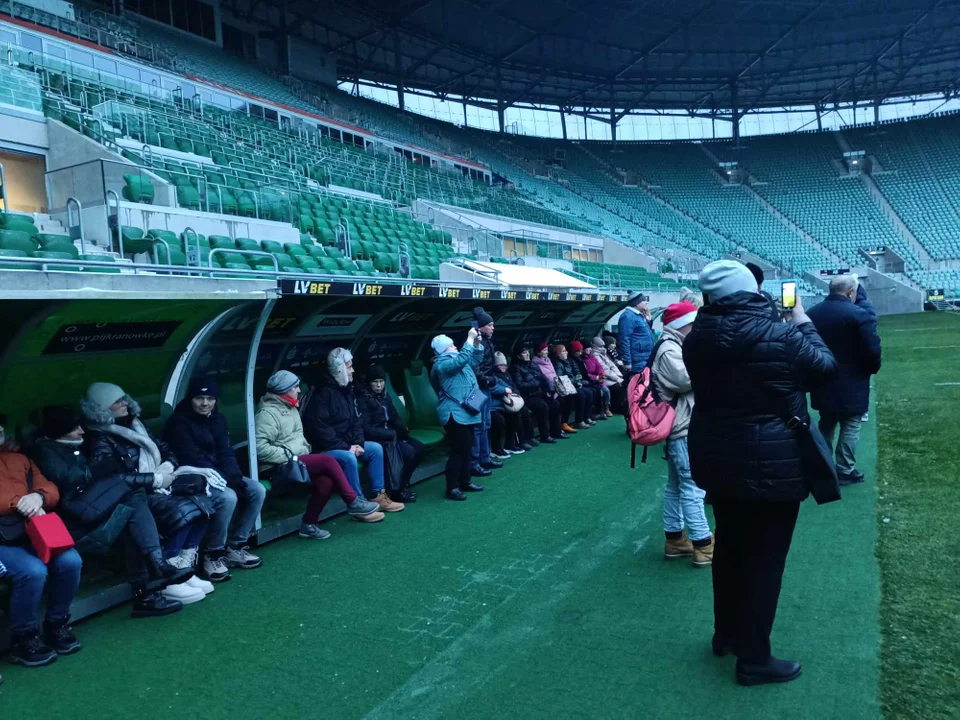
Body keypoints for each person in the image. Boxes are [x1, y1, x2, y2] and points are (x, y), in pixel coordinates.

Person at [684, 260, 835, 686]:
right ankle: (754, 659)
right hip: (773, 462)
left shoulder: (697, 338)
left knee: (730, 550)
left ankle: (727, 635)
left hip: (718, 458)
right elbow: (824, 367)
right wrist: (801, 319)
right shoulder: (782, 332)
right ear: (752, 291)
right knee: (765, 562)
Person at [31, 406, 185, 619]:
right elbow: (72, 481)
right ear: (59, 431)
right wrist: (102, 470)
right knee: (132, 495)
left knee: (132, 507)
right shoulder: (46, 452)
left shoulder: (73, 446)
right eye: (74, 428)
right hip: (74, 522)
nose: (82, 431)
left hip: (89, 509)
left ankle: (149, 586)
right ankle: (154, 570)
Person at [82, 382, 213, 606]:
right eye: (117, 401)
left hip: (157, 483)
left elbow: (165, 449)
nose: (125, 403)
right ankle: (169, 572)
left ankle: (182, 566)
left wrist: (168, 466)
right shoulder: (98, 438)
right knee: (180, 508)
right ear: (102, 409)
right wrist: (154, 479)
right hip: (133, 495)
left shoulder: (136, 425)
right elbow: (113, 479)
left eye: (124, 398)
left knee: (203, 504)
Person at [254, 370, 383, 539]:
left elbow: (299, 438)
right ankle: (353, 501)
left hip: (296, 460)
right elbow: (259, 448)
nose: (299, 390)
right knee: (328, 461)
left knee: (326, 481)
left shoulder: (291, 406)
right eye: (295, 387)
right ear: (283, 390)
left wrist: (303, 450)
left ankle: (309, 524)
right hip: (276, 466)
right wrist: (291, 455)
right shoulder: (267, 414)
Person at [164, 377, 267, 581]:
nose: (205, 403)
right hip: (191, 476)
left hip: (219, 475)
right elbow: (192, 457)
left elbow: (225, 453)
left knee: (256, 490)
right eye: (200, 398)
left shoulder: (218, 419)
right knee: (228, 497)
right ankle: (213, 554)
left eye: (210, 398)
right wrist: (228, 482)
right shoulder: (179, 422)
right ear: (191, 398)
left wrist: (236, 478)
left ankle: (235, 546)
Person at [0, 417, 83, 667]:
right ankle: (24, 638)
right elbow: (10, 500)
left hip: (31, 529)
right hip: (4, 538)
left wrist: (38, 497)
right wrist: (19, 502)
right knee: (32, 571)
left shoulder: (20, 458)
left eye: (0, 429)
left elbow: (50, 488)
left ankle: (56, 623)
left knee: (71, 560)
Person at [649, 302, 714, 567]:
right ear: (682, 325)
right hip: (682, 427)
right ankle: (703, 545)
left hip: (679, 424)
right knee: (693, 487)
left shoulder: (671, 344)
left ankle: (675, 540)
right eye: (693, 323)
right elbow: (686, 379)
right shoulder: (669, 348)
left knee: (677, 486)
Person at [301, 349, 403, 513]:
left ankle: (379, 494)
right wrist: (347, 447)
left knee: (375, 448)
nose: (352, 371)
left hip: (348, 443)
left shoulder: (347, 390)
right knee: (348, 457)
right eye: (349, 367)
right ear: (339, 369)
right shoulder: (322, 394)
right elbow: (321, 431)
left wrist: (357, 443)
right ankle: (358, 502)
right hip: (327, 448)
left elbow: (356, 421)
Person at [806, 275, 882, 485]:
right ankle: (845, 469)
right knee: (851, 423)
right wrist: (870, 369)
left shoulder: (813, 313)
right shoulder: (859, 314)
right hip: (853, 379)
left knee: (826, 422)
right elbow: (871, 349)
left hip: (822, 377)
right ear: (851, 292)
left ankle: (823, 467)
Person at [431, 330, 485, 501]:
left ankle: (465, 481)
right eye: (452, 345)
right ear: (444, 349)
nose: (455, 347)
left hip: (465, 412)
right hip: (453, 414)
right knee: (457, 452)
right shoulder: (442, 364)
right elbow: (461, 360)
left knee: (466, 449)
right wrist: (469, 339)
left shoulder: (456, 360)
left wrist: (476, 343)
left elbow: (476, 359)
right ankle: (452, 487)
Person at [357, 364, 421, 504]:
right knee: (408, 452)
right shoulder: (363, 399)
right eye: (375, 382)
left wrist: (402, 430)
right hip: (378, 439)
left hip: (391, 435)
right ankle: (396, 491)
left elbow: (394, 416)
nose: (379, 385)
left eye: (381, 381)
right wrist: (390, 433)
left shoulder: (384, 395)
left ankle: (402, 484)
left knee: (418, 447)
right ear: (369, 383)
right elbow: (366, 428)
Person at [468, 307, 501, 477]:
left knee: (485, 424)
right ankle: (475, 462)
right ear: (481, 327)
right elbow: (473, 365)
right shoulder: (476, 341)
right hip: (478, 388)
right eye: (490, 325)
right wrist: (486, 380)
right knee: (478, 427)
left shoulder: (486, 339)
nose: (493, 328)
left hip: (486, 387)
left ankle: (485, 457)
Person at [511, 347, 563, 445]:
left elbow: (543, 378)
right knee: (542, 406)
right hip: (527, 396)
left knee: (555, 403)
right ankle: (545, 435)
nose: (527, 354)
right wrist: (536, 383)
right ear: (518, 356)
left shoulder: (533, 364)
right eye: (524, 353)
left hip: (539, 393)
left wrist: (549, 390)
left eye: (527, 352)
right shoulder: (516, 368)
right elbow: (520, 385)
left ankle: (556, 431)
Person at [488, 352, 524, 459]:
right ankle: (496, 448)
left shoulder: (504, 375)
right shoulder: (490, 374)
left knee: (514, 415)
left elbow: (510, 386)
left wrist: (509, 390)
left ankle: (510, 444)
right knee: (498, 420)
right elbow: (492, 387)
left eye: (505, 365)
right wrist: (504, 390)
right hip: (492, 405)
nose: (504, 367)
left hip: (502, 404)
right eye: (501, 365)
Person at [553, 344, 595, 430]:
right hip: (565, 388)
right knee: (581, 394)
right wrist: (575, 380)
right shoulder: (558, 364)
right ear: (558, 354)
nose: (566, 353)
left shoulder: (568, 361)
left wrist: (576, 380)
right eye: (564, 351)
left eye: (566, 351)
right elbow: (561, 379)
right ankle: (578, 421)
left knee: (589, 392)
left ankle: (585, 417)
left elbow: (576, 374)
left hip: (573, 384)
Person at [618, 292, 655, 375]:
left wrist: (649, 321)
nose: (646, 302)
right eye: (644, 300)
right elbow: (624, 339)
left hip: (645, 358)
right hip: (638, 361)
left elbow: (643, 332)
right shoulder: (627, 316)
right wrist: (627, 362)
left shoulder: (638, 315)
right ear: (637, 303)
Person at [580, 341, 613, 417]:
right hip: (591, 380)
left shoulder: (592, 356)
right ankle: (599, 411)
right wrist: (595, 378)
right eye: (587, 348)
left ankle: (607, 408)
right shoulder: (582, 360)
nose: (589, 350)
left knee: (606, 391)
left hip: (599, 379)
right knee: (599, 392)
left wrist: (601, 374)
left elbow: (599, 366)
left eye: (589, 348)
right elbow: (585, 373)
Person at [592, 337, 625, 412]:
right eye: (600, 346)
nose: (603, 348)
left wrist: (619, 375)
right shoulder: (595, 355)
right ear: (595, 346)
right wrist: (617, 378)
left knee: (621, 384)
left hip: (610, 376)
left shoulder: (603, 353)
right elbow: (604, 369)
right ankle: (616, 407)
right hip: (602, 377)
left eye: (603, 346)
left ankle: (621, 406)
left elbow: (611, 364)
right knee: (617, 386)